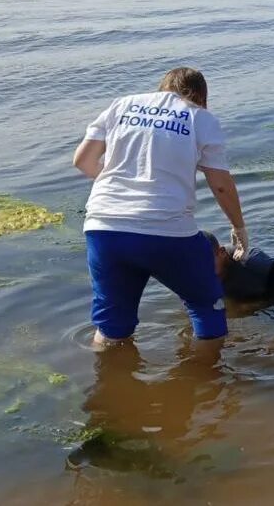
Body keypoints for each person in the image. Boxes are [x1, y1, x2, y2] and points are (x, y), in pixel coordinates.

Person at [73, 67, 247, 348]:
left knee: (111, 325)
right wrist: (239, 228)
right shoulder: (200, 117)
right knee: (206, 306)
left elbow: (82, 160)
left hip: (104, 227)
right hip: (167, 229)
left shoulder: (122, 104)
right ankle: (209, 384)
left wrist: (120, 183)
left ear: (162, 88)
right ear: (201, 97)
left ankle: (107, 381)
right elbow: (222, 185)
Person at [202, 231, 274, 303]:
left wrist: (256, 305)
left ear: (222, 253)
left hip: (266, 290)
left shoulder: (251, 260)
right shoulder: (191, 274)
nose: (201, 268)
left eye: (206, 260)